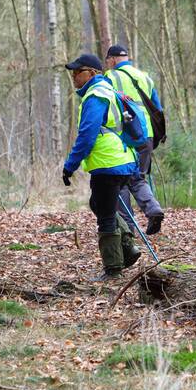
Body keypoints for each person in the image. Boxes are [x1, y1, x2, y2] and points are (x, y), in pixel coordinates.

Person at [62, 53, 142, 281]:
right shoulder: (108, 90)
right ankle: (128, 247)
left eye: (79, 71)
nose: (75, 76)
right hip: (122, 159)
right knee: (98, 204)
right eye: (73, 73)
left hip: (108, 163)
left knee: (105, 214)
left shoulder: (96, 95)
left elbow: (87, 135)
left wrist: (70, 166)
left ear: (92, 73)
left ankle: (113, 269)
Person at [103, 44, 165, 235]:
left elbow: (105, 106)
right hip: (146, 135)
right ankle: (152, 208)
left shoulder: (110, 77)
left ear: (112, 59)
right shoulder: (145, 77)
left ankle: (128, 227)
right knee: (138, 177)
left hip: (124, 135)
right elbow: (158, 108)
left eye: (108, 61)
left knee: (119, 180)